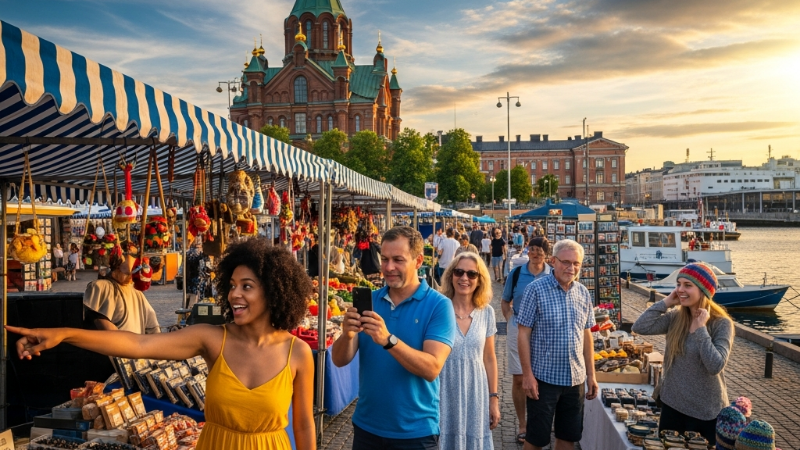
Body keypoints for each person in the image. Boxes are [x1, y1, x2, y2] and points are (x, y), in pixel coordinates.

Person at [9, 240, 317, 450]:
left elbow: (303, 425)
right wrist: (64, 334)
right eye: (232, 285)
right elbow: (138, 344)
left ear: (273, 291)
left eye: (247, 286)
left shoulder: (298, 353)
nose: (235, 294)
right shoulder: (213, 338)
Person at [331, 226, 456, 449]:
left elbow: (432, 368)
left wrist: (388, 340)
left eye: (398, 260)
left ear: (418, 261)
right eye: (385, 259)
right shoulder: (371, 301)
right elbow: (339, 360)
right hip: (367, 427)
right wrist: (347, 335)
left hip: (415, 432)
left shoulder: (439, 305)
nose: (389, 267)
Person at [632, 262, 734, 445]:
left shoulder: (721, 323)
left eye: (688, 285)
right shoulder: (676, 317)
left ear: (704, 291)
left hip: (705, 411)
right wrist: (666, 302)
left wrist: (700, 329)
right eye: (678, 284)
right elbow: (640, 327)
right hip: (672, 406)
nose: (680, 289)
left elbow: (715, 366)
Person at [517, 239, 598, 450]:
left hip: (575, 380)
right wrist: (527, 375)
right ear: (553, 261)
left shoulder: (583, 292)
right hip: (544, 378)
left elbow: (586, 335)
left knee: (568, 438)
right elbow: (523, 333)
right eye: (565, 262)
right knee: (535, 440)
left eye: (576, 263)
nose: (571, 268)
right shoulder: (535, 289)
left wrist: (591, 375)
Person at [438, 253, 499, 449]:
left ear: (479, 280)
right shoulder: (438, 309)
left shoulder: (487, 312)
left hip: (476, 391)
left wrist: (493, 399)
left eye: (472, 274)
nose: (464, 278)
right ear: (451, 275)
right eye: (459, 272)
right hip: (444, 389)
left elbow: (489, 357)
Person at [501, 237, 551, 445]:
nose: (535, 253)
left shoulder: (552, 274)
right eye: (532, 249)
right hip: (519, 328)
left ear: (547, 254)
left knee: (544, 377)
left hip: (546, 331)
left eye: (540, 250)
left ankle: (541, 422)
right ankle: (523, 424)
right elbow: (505, 300)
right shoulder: (517, 273)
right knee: (520, 378)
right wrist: (510, 321)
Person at [82, 242, 161, 334]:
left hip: (131, 341)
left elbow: (153, 328)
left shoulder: (137, 293)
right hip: (116, 341)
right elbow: (99, 321)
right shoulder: (101, 287)